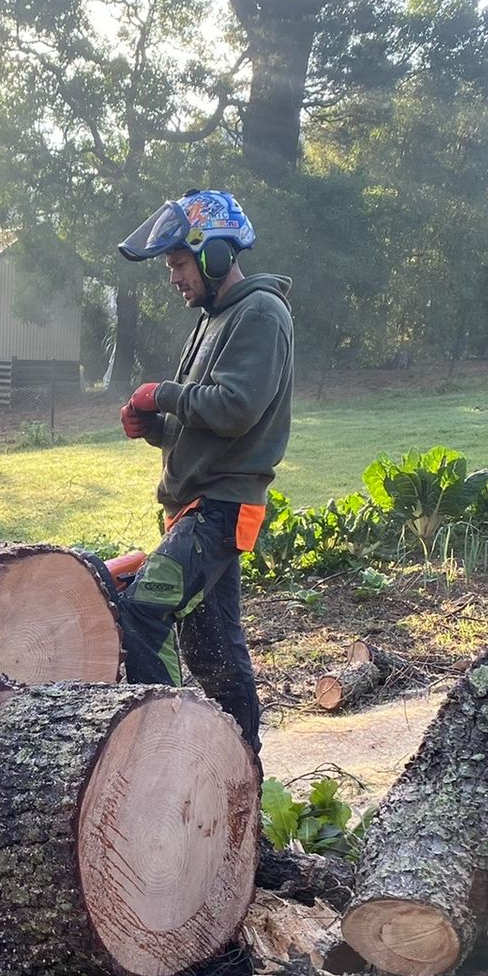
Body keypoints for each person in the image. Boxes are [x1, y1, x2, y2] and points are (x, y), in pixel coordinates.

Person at [113, 189, 293, 752]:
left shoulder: (260, 313)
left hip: (219, 508)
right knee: (213, 652)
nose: (174, 277)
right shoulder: (215, 318)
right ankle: (238, 766)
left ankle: (158, 752)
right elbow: (204, 419)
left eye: (179, 263)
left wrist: (162, 394)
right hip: (193, 505)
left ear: (215, 255)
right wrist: (157, 429)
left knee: (140, 613)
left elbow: (236, 409)